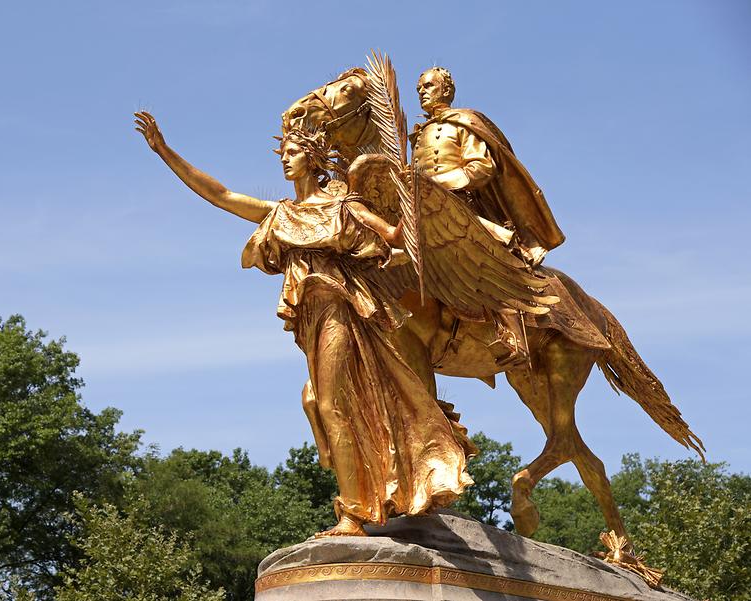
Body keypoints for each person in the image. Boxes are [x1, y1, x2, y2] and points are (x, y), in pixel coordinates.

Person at [134, 111, 473, 536]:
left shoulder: (343, 207)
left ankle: (353, 514)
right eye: (285, 153)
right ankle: (366, 499)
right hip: (311, 323)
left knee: (329, 404)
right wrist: (165, 151)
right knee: (318, 403)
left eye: (293, 153)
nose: (285, 160)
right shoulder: (280, 214)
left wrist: (413, 193)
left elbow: (393, 235)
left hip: (341, 312)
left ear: (313, 159)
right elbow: (220, 194)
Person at [411, 67, 566, 365]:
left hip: (461, 208)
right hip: (423, 211)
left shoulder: (463, 123)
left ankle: (513, 338)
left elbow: (482, 167)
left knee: (487, 257)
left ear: (446, 90)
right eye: (419, 88)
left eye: (429, 85)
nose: (422, 91)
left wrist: (441, 183)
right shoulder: (419, 135)